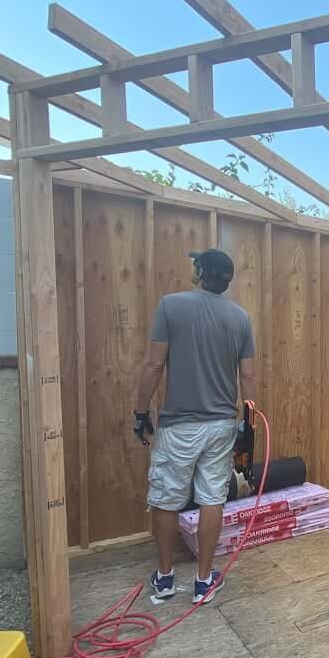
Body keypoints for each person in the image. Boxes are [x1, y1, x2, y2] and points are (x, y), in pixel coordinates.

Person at [132, 249, 256, 604]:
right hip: (222, 425)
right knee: (212, 498)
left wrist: (141, 412)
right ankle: (204, 581)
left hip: (180, 427)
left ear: (201, 271)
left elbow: (154, 366)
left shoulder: (170, 306)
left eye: (194, 264)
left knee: (167, 500)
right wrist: (247, 426)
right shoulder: (240, 318)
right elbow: (247, 376)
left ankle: (166, 578)